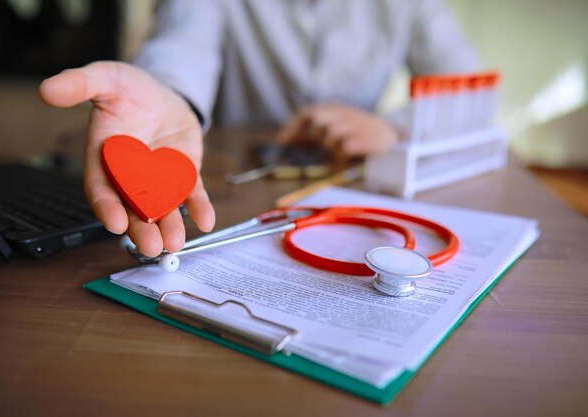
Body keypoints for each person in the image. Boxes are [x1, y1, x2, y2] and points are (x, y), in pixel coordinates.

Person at [39, 0, 480, 258]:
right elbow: (182, 41)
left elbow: (468, 93)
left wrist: (392, 129)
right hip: (229, 196)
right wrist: (171, 94)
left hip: (357, 189)